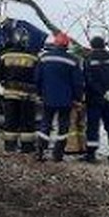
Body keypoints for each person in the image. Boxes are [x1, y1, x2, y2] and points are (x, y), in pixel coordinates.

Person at [35, 32, 84, 162]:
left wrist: (39, 93)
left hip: (48, 97)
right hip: (66, 100)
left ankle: (40, 152)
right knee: (63, 127)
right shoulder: (73, 60)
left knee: (45, 124)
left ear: (55, 43)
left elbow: (38, 78)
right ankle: (58, 155)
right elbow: (78, 83)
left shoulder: (44, 58)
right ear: (67, 45)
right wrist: (77, 99)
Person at [0, 26, 39, 153]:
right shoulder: (33, 57)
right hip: (28, 95)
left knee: (10, 121)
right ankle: (27, 147)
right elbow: (37, 76)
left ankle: (10, 146)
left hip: (10, 94)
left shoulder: (5, 55)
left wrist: (5, 84)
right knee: (27, 122)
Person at [81, 35, 109, 162]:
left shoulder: (89, 59)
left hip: (94, 98)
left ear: (92, 46)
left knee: (93, 125)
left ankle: (91, 154)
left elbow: (89, 80)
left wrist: (101, 92)